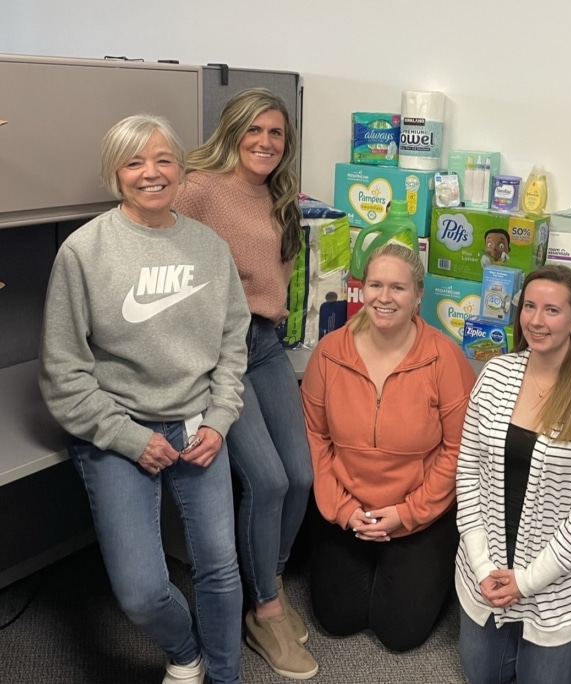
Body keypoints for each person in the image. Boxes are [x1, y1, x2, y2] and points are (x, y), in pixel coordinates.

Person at [39, 114, 250, 684]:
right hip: (119, 427)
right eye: (135, 162)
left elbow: (233, 344)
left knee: (221, 568)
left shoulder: (209, 247)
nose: (151, 173)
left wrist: (221, 419)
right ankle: (187, 653)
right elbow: (64, 371)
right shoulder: (84, 252)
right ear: (116, 173)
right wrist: (130, 439)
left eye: (163, 160)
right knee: (139, 592)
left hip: (199, 424)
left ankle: (225, 677)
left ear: (180, 168)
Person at [173, 87, 317, 679]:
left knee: (303, 476)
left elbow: (274, 281)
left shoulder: (278, 194)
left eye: (276, 133)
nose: (265, 142)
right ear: (232, 131)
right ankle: (266, 608)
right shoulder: (198, 188)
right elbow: (163, 262)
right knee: (267, 479)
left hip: (267, 345)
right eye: (254, 130)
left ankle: (268, 576)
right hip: (218, 351)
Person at [454, 264, 571, 684]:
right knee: (482, 676)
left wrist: (527, 582)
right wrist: (482, 567)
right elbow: (467, 474)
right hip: (488, 564)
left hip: (558, 582)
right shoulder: (495, 375)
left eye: (552, 310)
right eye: (529, 306)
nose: (536, 320)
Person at [300, 243, 476, 652]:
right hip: (348, 506)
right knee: (337, 620)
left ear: (418, 295)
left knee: (399, 633)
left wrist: (408, 513)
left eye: (398, 287)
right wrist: (343, 510)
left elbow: (458, 449)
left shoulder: (444, 359)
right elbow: (315, 437)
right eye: (375, 285)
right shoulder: (330, 353)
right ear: (362, 290)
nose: (384, 297)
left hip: (418, 508)